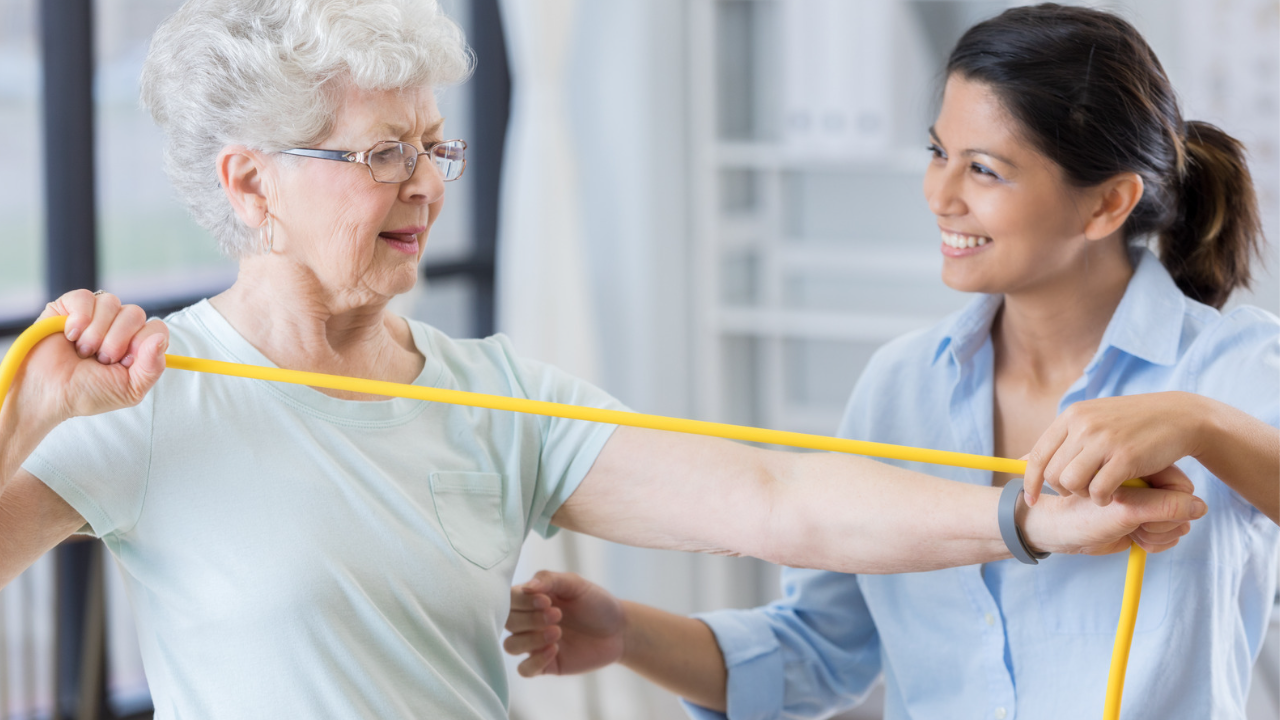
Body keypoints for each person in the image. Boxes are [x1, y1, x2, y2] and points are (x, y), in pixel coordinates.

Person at [503, 4, 1280, 719]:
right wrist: (623, 633)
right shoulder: (903, 384)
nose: (940, 193)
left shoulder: (1226, 369)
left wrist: (1199, 424)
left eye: (985, 169)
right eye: (938, 152)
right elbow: (816, 650)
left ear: (1107, 204)